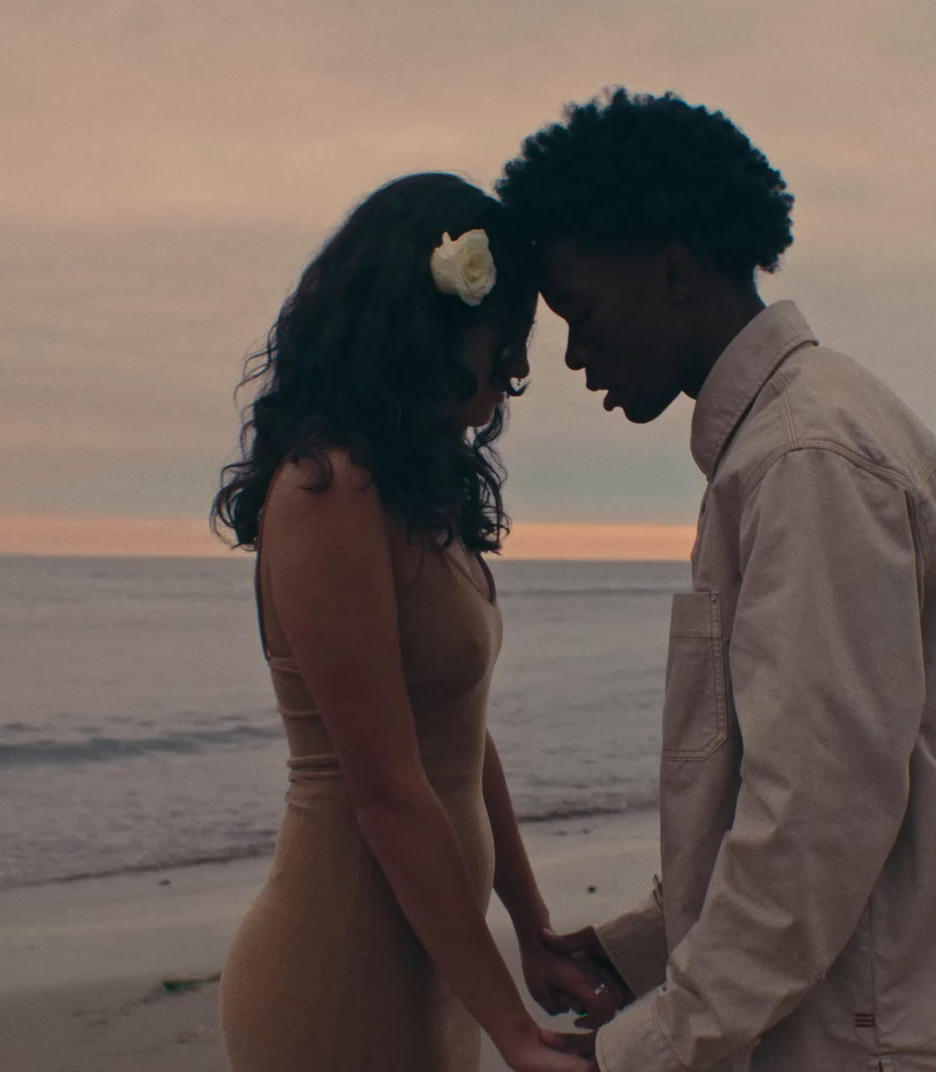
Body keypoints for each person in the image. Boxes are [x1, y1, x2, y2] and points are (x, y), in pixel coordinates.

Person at [497, 92, 936, 1070]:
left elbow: (814, 823)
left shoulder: (806, 456)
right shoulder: (788, 442)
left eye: (579, 312)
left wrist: (647, 1047)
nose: (574, 354)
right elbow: (788, 789)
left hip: (869, 1038)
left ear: (672, 267)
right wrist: (637, 952)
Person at [212, 173, 600, 1072]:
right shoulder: (327, 493)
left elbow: (459, 735)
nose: (516, 364)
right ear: (423, 322)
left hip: (436, 962)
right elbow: (386, 788)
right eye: (501, 334)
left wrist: (530, 927)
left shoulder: (418, 490)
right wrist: (510, 1024)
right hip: (339, 967)